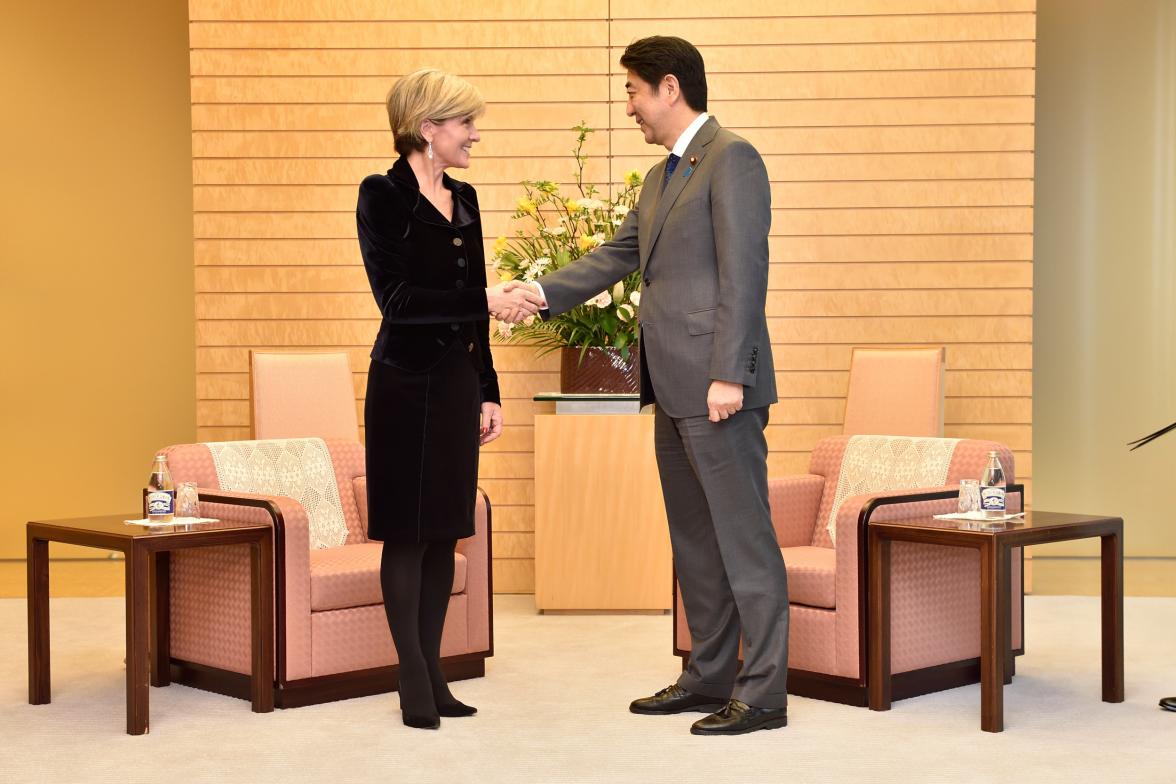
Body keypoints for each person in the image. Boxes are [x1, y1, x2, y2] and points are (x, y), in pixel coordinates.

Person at [522, 37, 790, 735]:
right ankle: (707, 676)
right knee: (695, 542)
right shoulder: (658, 178)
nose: (632, 108)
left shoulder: (733, 159)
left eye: (635, 93)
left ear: (670, 88)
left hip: (717, 388)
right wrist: (535, 292)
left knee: (743, 540)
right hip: (670, 388)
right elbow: (617, 256)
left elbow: (744, 273)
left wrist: (731, 372)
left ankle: (762, 693)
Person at [355, 68, 545, 730]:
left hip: (459, 385)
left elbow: (473, 314)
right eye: (465, 123)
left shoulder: (464, 197)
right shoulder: (382, 195)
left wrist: (488, 391)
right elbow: (398, 302)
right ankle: (412, 674)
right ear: (428, 128)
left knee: (444, 533)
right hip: (405, 387)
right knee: (407, 534)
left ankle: (433, 669)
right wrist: (486, 300)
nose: (475, 135)